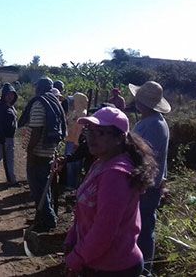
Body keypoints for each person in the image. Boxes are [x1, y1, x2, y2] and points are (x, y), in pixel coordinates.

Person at [64, 107, 157, 276]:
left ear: (119, 138)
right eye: (89, 130)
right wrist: (72, 238)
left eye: (100, 132)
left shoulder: (115, 175)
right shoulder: (101, 163)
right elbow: (85, 211)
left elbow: (103, 231)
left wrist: (76, 258)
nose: (91, 137)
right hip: (97, 260)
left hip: (113, 267)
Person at [129, 81, 171, 274]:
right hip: (147, 183)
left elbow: (146, 158)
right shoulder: (152, 121)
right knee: (141, 226)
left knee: (144, 228)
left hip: (146, 186)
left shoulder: (153, 124)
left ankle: (144, 269)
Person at [19, 77, 66, 231]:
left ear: (39, 87)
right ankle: (43, 218)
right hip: (49, 151)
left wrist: (30, 152)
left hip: (38, 153)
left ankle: (48, 220)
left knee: (38, 189)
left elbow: (37, 131)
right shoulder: (54, 102)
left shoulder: (40, 103)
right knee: (44, 187)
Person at [63, 92, 89, 189]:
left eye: (74, 100)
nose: (72, 102)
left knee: (73, 164)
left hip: (74, 142)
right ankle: (69, 183)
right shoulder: (75, 112)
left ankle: (72, 185)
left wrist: (76, 142)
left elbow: (80, 129)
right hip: (70, 140)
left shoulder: (82, 113)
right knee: (69, 163)